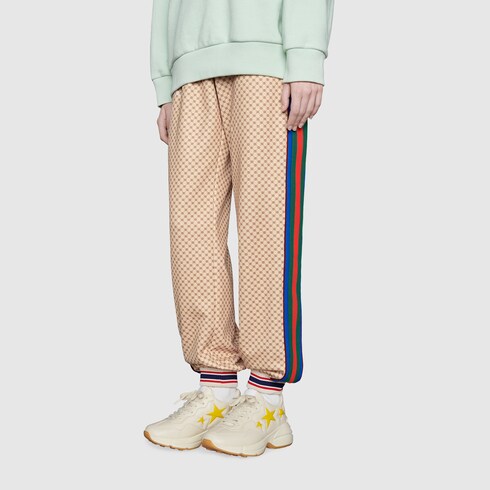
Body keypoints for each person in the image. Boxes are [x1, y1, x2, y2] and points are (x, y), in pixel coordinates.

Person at [144, 0, 334, 457]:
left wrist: (306, 55)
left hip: (265, 63)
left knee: (267, 228)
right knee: (190, 231)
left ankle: (268, 399)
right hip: (190, 71)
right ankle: (217, 389)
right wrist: (165, 83)